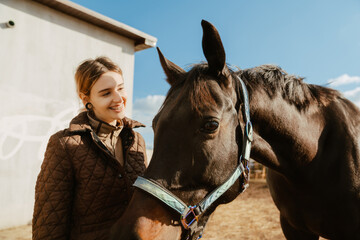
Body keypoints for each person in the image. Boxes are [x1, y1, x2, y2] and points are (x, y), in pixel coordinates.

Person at [32, 57, 148, 240]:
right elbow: (49, 223)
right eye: (106, 93)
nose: (119, 98)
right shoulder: (64, 145)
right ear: (86, 99)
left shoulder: (137, 140)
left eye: (120, 88)